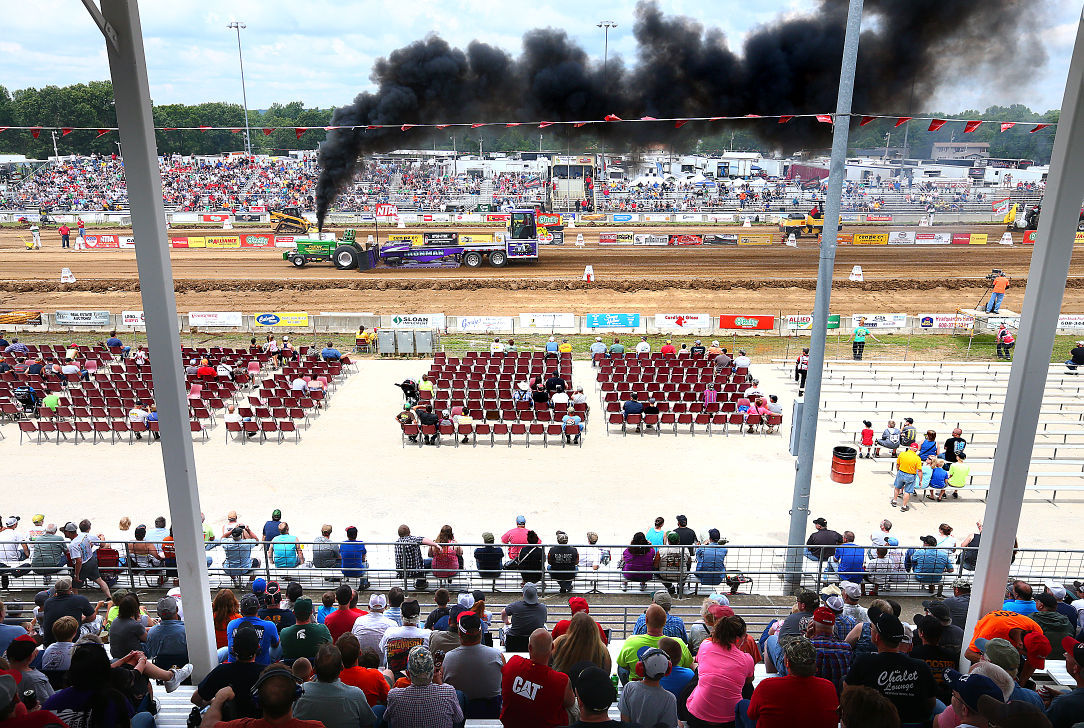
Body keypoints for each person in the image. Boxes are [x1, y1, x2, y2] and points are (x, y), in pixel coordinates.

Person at [843, 612, 936, 726]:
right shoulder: (921, 666)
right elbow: (931, 703)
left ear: (876, 637)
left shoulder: (864, 662)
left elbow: (847, 692)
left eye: (872, 628)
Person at [747, 636, 839, 728]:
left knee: (742, 705)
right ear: (814, 663)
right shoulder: (828, 687)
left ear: (787, 662)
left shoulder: (766, 686)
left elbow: (751, 715)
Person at [199, 662, 323, 728]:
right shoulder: (316, 727)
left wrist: (219, 698)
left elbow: (207, 725)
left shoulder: (242, 725)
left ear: (257, 698)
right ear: (296, 695)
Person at [686, 614, 754, 727]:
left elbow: (698, 661)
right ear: (738, 639)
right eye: (744, 636)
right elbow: (748, 681)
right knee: (747, 685)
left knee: (700, 673)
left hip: (696, 717)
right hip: (730, 721)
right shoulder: (746, 659)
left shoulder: (705, 646)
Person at [292, 644, 378, 728]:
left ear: (313, 670)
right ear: (342, 668)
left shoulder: (300, 691)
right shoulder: (356, 695)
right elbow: (368, 724)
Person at [383, 646, 463, 728]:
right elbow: (459, 719)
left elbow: (386, 718)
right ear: (432, 671)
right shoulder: (448, 692)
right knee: (459, 695)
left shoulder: (394, 695)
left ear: (408, 674)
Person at [442, 613, 505, 717]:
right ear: (480, 632)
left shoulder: (446, 659)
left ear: (459, 633)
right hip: (492, 713)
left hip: (460, 715)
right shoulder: (497, 656)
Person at [618, 605, 694, 684]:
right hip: (672, 691)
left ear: (646, 620)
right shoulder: (678, 643)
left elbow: (623, 665)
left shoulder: (631, 641)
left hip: (637, 688)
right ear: (665, 621)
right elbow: (689, 666)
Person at [618, 647, 678, 728]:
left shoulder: (629, 687)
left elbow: (624, 721)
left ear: (641, 668)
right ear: (667, 670)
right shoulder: (670, 698)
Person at [909, 615, 959, 705]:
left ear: (921, 633)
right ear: (940, 634)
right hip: (947, 702)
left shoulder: (913, 654)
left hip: (921, 701)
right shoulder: (952, 656)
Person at [380, 599, 430, 676]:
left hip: (394, 681)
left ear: (401, 615)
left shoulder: (390, 633)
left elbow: (382, 650)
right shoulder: (428, 635)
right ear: (419, 615)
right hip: (419, 679)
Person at [552, 611, 612, 676]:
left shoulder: (560, 641)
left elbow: (548, 660)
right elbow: (607, 672)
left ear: (571, 627)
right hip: (591, 684)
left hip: (564, 683)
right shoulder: (602, 648)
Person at [226, 594, 281, 665]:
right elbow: (275, 644)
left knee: (224, 650)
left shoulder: (231, 624)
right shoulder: (269, 625)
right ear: (258, 607)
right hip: (261, 667)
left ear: (241, 610)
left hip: (233, 666)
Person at [281, 598, 332, 663]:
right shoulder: (322, 629)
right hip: (316, 670)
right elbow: (330, 645)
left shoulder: (284, 633)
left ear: (293, 613)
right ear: (311, 612)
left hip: (291, 671)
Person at [352, 594, 397, 662]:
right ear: (385, 607)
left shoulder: (359, 621)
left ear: (369, 607)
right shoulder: (392, 624)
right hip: (383, 667)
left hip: (362, 664)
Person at [146, 596, 187, 663]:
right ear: (177, 609)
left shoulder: (151, 632)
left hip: (160, 669)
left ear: (158, 613)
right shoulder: (187, 631)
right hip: (184, 668)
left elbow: (152, 653)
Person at [892, 444, 922, 512]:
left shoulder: (902, 454)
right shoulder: (917, 458)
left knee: (897, 487)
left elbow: (898, 464)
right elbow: (919, 470)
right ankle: (904, 506)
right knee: (907, 491)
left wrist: (898, 471)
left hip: (901, 472)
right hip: (911, 475)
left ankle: (894, 501)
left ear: (909, 448)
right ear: (916, 450)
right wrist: (920, 480)